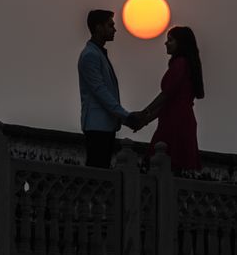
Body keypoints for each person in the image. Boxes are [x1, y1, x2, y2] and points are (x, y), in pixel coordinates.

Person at [134, 26, 204, 171]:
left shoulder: (181, 64)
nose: (166, 43)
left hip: (175, 122)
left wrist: (144, 113)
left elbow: (166, 95)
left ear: (181, 43)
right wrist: (145, 119)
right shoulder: (184, 64)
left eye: (170, 40)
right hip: (178, 119)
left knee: (161, 165)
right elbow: (168, 102)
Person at [77, 9, 141, 168]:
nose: (114, 29)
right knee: (98, 172)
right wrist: (126, 116)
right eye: (110, 25)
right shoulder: (90, 55)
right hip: (97, 126)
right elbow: (101, 92)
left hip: (104, 125)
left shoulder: (97, 54)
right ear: (98, 28)